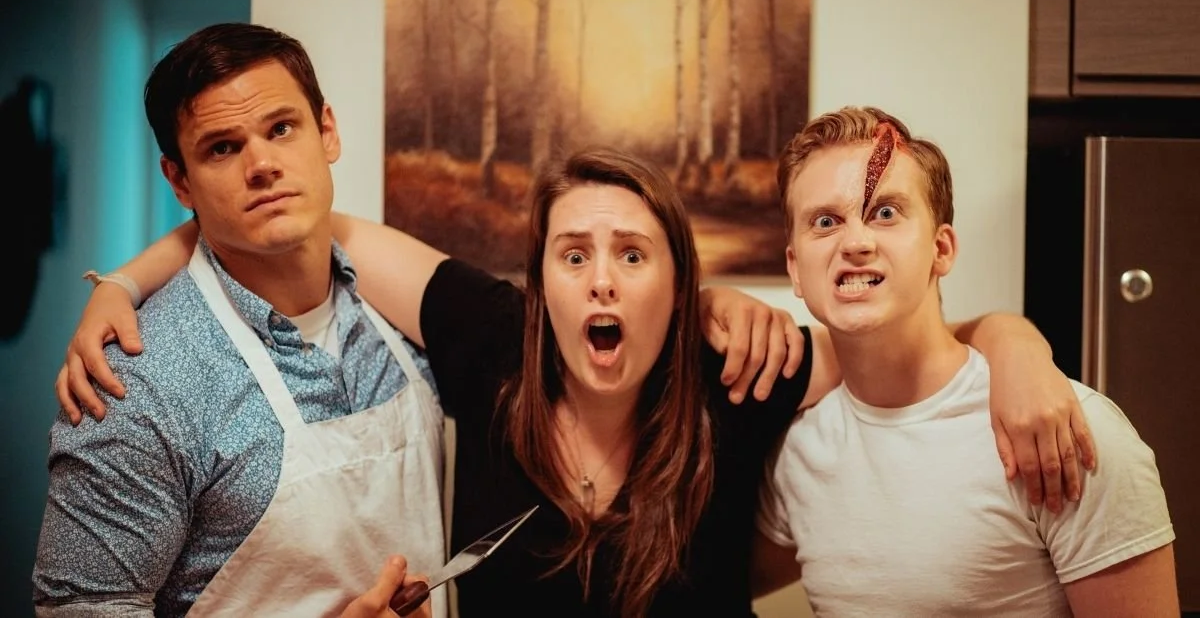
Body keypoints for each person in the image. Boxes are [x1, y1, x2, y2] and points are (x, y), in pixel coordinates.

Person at [56, 141, 1095, 614]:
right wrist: (133, 280)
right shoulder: (492, 342)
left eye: (634, 256)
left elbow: (919, 347)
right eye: (574, 253)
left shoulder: (738, 373)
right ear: (539, 279)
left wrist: (1019, 346)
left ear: (677, 286)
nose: (602, 279)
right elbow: (300, 220)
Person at [32, 23, 441, 618]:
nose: (262, 165)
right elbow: (81, 610)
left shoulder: (399, 312)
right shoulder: (135, 386)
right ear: (179, 181)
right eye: (222, 147)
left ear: (326, 131)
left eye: (281, 128)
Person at [753, 106, 1177, 616]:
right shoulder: (797, 454)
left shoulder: (1059, 431)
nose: (856, 243)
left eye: (885, 212)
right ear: (796, 269)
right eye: (825, 222)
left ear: (942, 248)